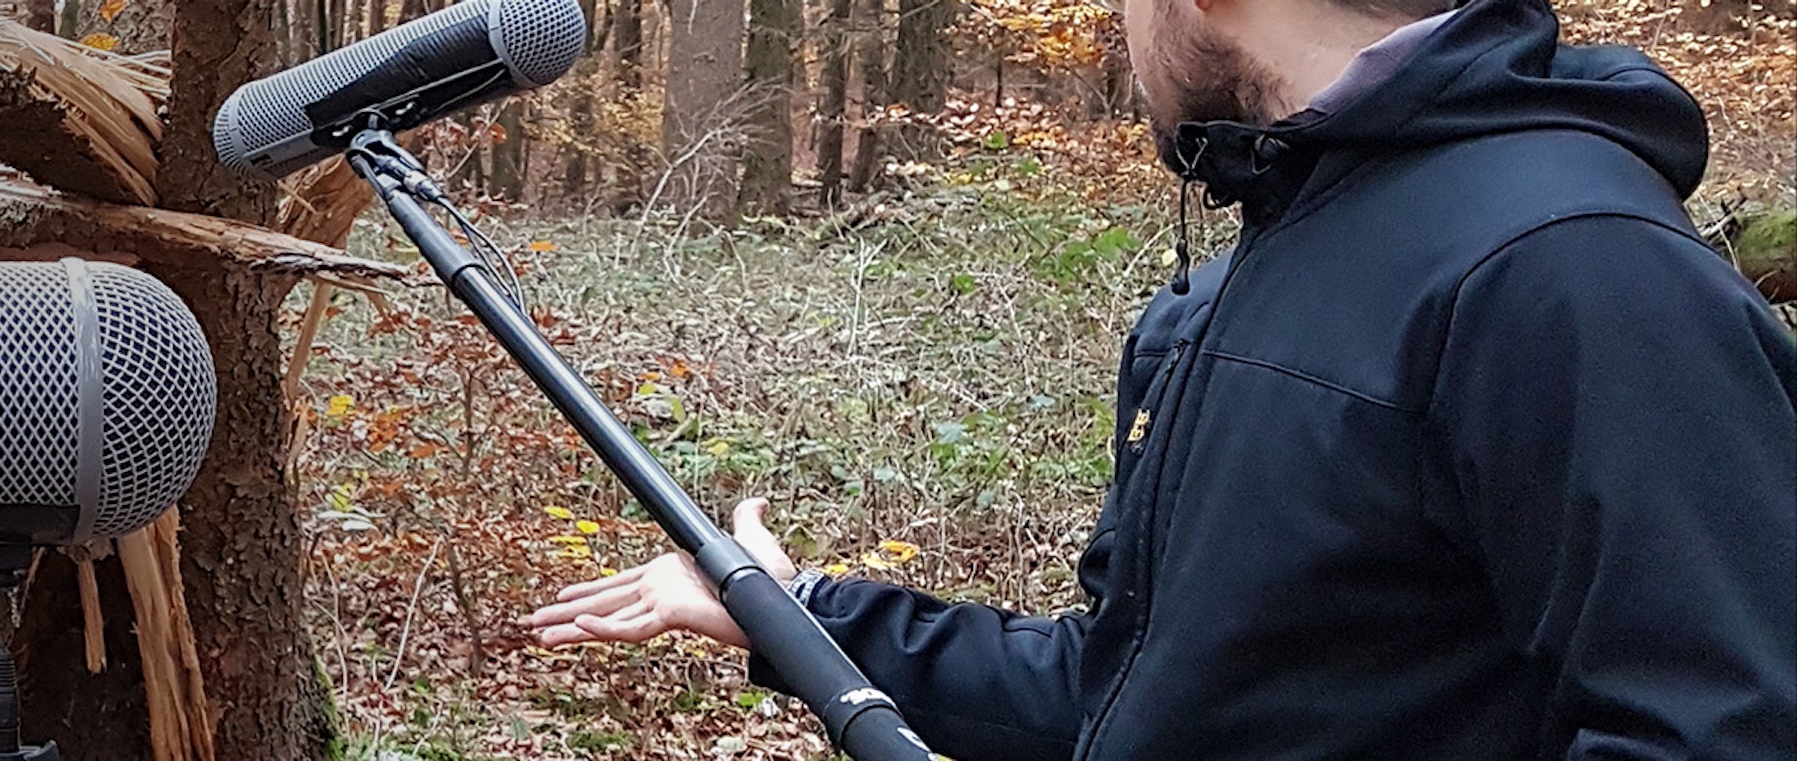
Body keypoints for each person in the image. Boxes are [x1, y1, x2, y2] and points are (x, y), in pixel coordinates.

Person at [517, 0, 1797, 756]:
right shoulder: (1248, 273)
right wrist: (796, 615)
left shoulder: (1574, 268)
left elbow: (1721, 726)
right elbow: (1124, 690)